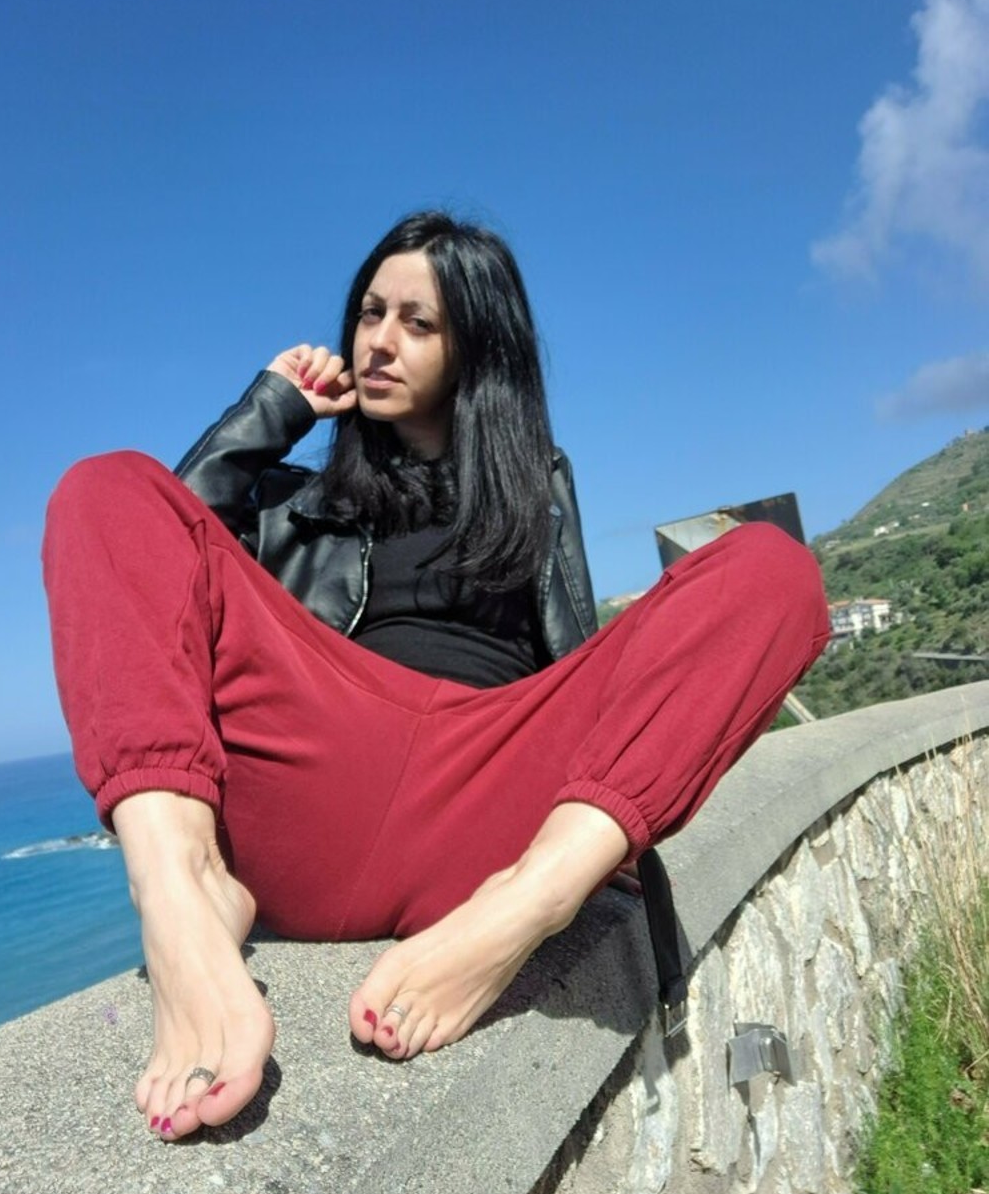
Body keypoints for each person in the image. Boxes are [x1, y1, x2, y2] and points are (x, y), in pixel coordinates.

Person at [43, 211, 829, 1143]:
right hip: (318, 759)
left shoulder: (535, 490)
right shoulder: (292, 501)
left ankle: (526, 904)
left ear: (477, 351)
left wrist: (576, 850)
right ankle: (181, 891)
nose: (377, 340)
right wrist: (269, 412)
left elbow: (577, 657)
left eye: (418, 322)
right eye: (369, 313)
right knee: (105, 486)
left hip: (490, 794)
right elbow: (152, 566)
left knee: (772, 567)